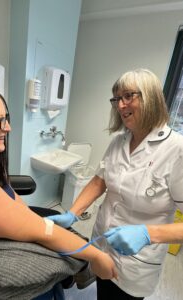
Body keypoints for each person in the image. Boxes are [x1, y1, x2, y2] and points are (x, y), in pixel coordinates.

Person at [0, 78, 117, 299]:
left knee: (51, 218)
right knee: (55, 248)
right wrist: (97, 257)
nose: (8, 127)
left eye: (7, 118)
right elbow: (44, 232)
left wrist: (41, 222)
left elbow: (20, 210)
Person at [48, 68, 183, 300]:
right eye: (117, 99)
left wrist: (147, 233)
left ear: (150, 97)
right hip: (103, 244)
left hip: (137, 260)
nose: (120, 105)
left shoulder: (176, 150)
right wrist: (72, 213)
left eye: (128, 96)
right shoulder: (119, 141)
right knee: (103, 291)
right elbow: (100, 182)